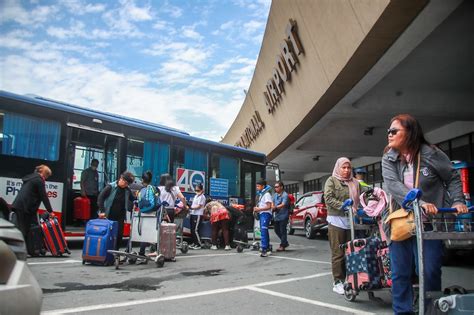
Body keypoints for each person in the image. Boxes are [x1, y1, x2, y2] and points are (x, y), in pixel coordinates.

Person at [381, 114, 467, 314]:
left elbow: (452, 177)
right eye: (388, 131)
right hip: (400, 223)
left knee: (429, 271)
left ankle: (430, 310)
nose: (389, 135)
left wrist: (457, 201)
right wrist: (418, 203)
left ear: (410, 132)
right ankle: (402, 311)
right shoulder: (389, 157)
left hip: (429, 224)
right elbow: (393, 185)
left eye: (394, 131)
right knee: (400, 273)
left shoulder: (431, 153)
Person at [324, 158, 361, 295]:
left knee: (351, 252)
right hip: (336, 221)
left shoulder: (355, 183)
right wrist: (342, 205)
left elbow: (362, 198)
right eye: (343, 168)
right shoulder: (332, 181)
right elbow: (328, 198)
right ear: (338, 168)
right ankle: (338, 281)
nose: (346, 170)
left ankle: (350, 279)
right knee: (338, 253)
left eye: (349, 168)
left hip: (352, 221)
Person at [11, 165, 54, 243]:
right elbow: (44, 196)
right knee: (24, 228)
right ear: (45, 174)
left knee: (23, 227)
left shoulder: (31, 178)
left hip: (20, 205)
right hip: (25, 207)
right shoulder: (39, 180)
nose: (46, 178)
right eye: (47, 176)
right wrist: (50, 211)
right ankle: (21, 248)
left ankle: (26, 247)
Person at [98, 171, 135, 250]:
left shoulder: (127, 190)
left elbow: (133, 199)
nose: (125, 185)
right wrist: (102, 211)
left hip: (120, 216)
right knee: (108, 234)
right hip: (108, 215)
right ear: (121, 178)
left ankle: (116, 253)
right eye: (125, 182)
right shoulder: (110, 187)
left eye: (127, 184)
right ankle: (105, 252)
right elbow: (100, 198)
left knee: (119, 235)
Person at [136, 170, 157, 256]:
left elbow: (138, 201)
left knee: (139, 232)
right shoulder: (153, 188)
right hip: (151, 213)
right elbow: (157, 200)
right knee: (150, 232)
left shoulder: (140, 189)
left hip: (142, 213)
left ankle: (133, 251)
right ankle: (147, 251)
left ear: (142, 179)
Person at [253, 179, 273, 257]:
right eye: (256, 186)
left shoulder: (267, 194)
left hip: (266, 214)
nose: (257, 187)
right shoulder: (261, 194)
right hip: (262, 214)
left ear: (263, 186)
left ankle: (264, 248)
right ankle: (267, 247)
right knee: (263, 231)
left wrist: (259, 209)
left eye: (258, 186)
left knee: (264, 231)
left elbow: (269, 206)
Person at [272, 181, 290, 252]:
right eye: (275, 187)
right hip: (277, 216)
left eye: (277, 187)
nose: (275, 188)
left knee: (283, 231)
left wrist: (275, 207)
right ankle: (285, 242)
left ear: (281, 187)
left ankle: (282, 245)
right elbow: (272, 202)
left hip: (284, 215)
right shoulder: (275, 195)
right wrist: (273, 206)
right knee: (276, 230)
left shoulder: (285, 195)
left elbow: (283, 204)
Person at [189, 184, 206, 250]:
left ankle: (199, 244)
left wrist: (191, 208)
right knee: (192, 229)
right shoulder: (196, 196)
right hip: (193, 214)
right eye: (195, 190)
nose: (196, 191)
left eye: (198, 190)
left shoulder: (202, 197)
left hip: (198, 214)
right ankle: (194, 242)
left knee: (195, 230)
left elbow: (199, 206)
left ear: (202, 190)